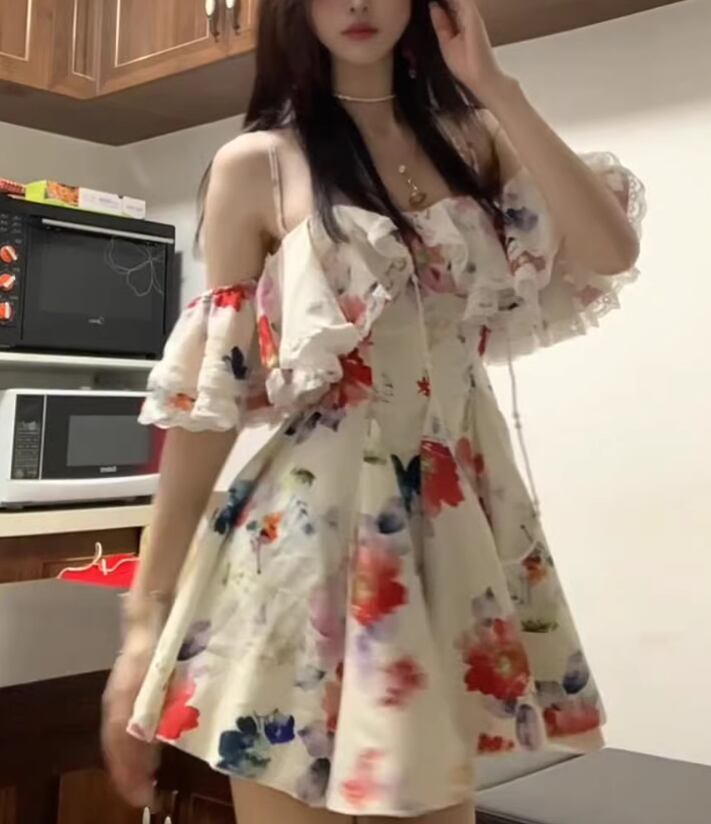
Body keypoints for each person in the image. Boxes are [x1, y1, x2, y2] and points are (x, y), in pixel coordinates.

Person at [102, 1, 645, 822]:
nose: (356, 3)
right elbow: (209, 407)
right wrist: (144, 617)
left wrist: (493, 84)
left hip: (453, 543)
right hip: (302, 547)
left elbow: (610, 250)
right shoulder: (259, 164)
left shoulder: (475, 140)